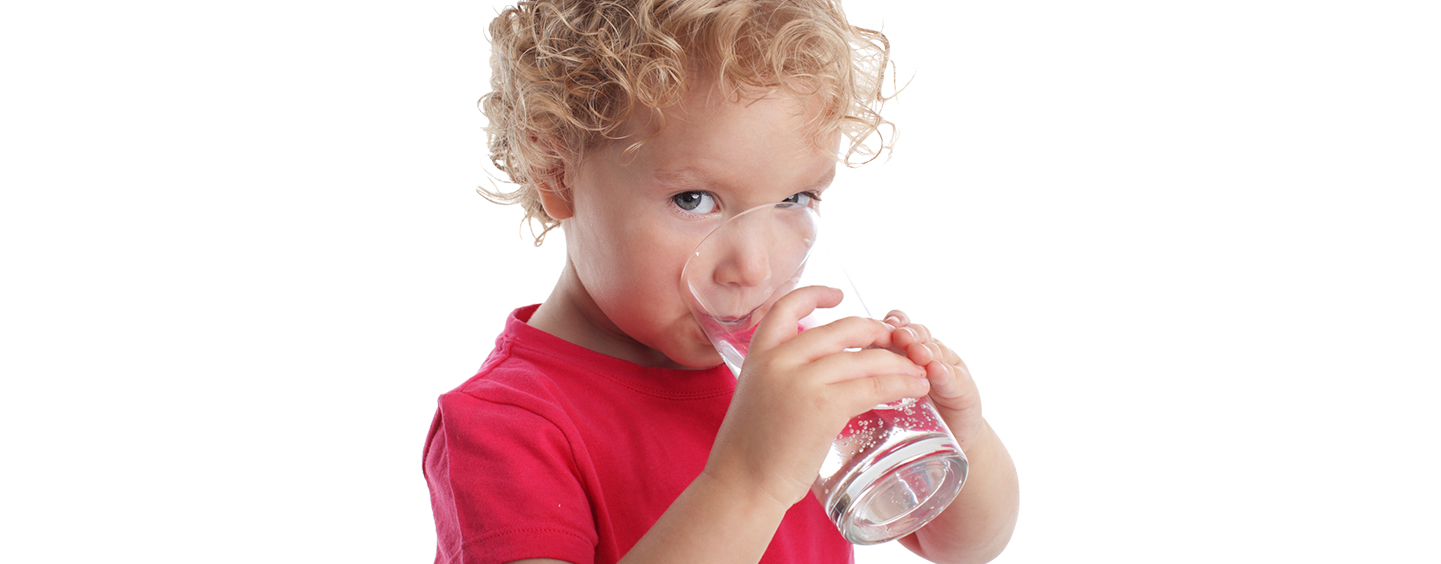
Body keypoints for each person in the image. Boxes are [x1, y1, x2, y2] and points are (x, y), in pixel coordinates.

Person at [424, 1, 1019, 562]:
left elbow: (958, 544)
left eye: (795, 198)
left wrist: (960, 434)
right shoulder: (506, 428)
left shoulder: (794, 367)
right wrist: (749, 481)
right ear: (554, 168)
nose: (756, 269)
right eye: (694, 199)